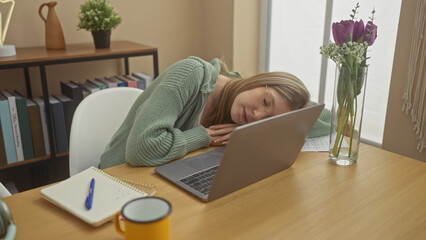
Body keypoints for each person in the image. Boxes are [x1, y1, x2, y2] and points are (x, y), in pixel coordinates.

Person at [100, 56, 330, 169]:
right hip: (116, 177)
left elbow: (321, 117)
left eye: (268, 119)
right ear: (259, 81)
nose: (258, 116)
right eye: (265, 101)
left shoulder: (240, 108)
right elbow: (141, 149)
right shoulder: (191, 74)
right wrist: (205, 136)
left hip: (155, 178)